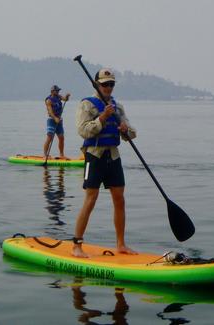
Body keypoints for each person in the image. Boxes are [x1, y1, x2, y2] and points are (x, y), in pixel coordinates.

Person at [72, 68, 137, 258]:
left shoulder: (117, 107)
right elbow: (83, 131)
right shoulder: (86, 104)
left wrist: (126, 130)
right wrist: (102, 118)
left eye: (111, 84)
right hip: (94, 156)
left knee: (119, 199)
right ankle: (77, 244)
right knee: (91, 198)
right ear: (96, 85)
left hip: (113, 156)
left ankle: (121, 244)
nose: (108, 87)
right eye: (105, 84)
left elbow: (131, 134)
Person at [43, 85, 70, 158]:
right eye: (57, 91)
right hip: (52, 120)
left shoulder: (59, 96)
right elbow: (50, 112)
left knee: (61, 137)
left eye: (58, 90)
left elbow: (65, 99)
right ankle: (45, 155)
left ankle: (61, 155)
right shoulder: (48, 100)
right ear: (52, 91)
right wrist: (55, 118)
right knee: (50, 137)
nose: (58, 92)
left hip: (59, 120)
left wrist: (67, 96)